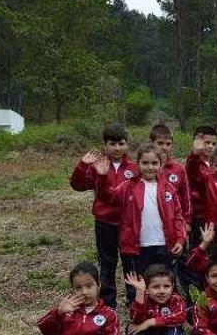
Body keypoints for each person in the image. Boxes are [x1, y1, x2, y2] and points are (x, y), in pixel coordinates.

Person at [94, 143, 186, 304]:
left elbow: (178, 216)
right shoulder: (128, 187)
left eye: (154, 163)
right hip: (139, 246)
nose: (150, 167)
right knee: (140, 281)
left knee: (164, 278)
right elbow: (108, 197)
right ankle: (138, 310)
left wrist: (179, 239)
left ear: (161, 164)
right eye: (145, 163)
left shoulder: (169, 189)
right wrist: (102, 177)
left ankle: (168, 311)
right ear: (138, 164)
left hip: (164, 244)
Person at [69, 123, 137, 308]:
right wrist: (83, 164)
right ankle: (108, 302)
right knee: (107, 263)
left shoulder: (134, 167)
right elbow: (77, 185)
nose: (117, 148)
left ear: (127, 144)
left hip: (128, 223)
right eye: (112, 144)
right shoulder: (97, 165)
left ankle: (133, 300)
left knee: (130, 263)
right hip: (105, 222)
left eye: (121, 144)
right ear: (105, 145)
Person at [150, 124, 191, 232]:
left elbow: (185, 197)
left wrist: (186, 221)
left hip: (174, 222)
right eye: (160, 143)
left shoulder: (178, 169)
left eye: (168, 144)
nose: (164, 147)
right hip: (151, 222)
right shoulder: (144, 168)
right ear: (151, 143)